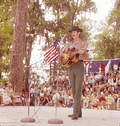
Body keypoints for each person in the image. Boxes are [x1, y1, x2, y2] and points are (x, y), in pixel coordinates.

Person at [60, 26, 89, 120]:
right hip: (70, 66)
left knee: (78, 89)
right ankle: (79, 112)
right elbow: (61, 53)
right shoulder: (69, 44)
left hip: (79, 66)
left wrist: (82, 52)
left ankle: (75, 113)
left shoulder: (83, 43)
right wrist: (64, 54)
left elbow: (86, 55)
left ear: (79, 33)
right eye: (72, 32)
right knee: (73, 89)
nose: (73, 34)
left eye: (74, 32)